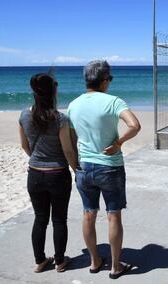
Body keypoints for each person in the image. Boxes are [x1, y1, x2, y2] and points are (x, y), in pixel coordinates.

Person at [68, 60, 141, 279]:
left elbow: (71, 139)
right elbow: (135, 126)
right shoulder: (114, 102)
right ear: (105, 80)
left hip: (84, 167)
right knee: (113, 216)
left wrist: (75, 163)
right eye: (110, 79)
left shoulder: (74, 105)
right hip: (109, 167)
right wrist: (118, 143)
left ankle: (94, 261)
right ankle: (116, 266)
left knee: (88, 214)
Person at [19, 72, 79, 273]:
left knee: (40, 218)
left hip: (34, 174)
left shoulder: (24, 115)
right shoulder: (60, 118)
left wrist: (37, 159)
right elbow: (68, 150)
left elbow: (25, 146)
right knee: (59, 219)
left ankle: (40, 261)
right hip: (58, 175)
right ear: (53, 92)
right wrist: (76, 169)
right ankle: (60, 261)